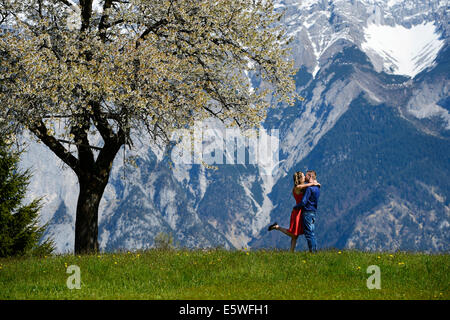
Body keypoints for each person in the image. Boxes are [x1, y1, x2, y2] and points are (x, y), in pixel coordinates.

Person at [267, 171, 320, 252]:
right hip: (297, 212)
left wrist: (314, 183)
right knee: (294, 233)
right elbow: (309, 185)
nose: (304, 177)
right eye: (303, 176)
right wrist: (315, 183)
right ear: (300, 179)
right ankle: (277, 227)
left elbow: (309, 188)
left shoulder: (303, 187)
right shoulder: (297, 187)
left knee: (295, 235)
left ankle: (291, 252)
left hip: (301, 211)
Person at [293, 170, 320, 253]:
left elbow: (303, 202)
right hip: (313, 211)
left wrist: (296, 207)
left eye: (307, 176)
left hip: (307, 212)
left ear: (310, 176)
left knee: (309, 234)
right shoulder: (317, 188)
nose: (305, 177)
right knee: (312, 233)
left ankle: (312, 252)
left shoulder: (309, 188)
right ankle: (315, 251)